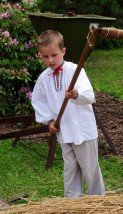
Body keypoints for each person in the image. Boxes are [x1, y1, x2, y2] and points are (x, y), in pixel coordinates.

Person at [31, 30, 105, 198]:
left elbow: (90, 96)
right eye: (45, 56)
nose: (50, 60)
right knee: (70, 168)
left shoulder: (75, 70)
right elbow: (39, 102)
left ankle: (97, 199)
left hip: (83, 131)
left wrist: (76, 95)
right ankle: (71, 201)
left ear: (63, 51)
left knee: (90, 168)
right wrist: (49, 121)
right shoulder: (44, 78)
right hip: (64, 131)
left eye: (54, 55)